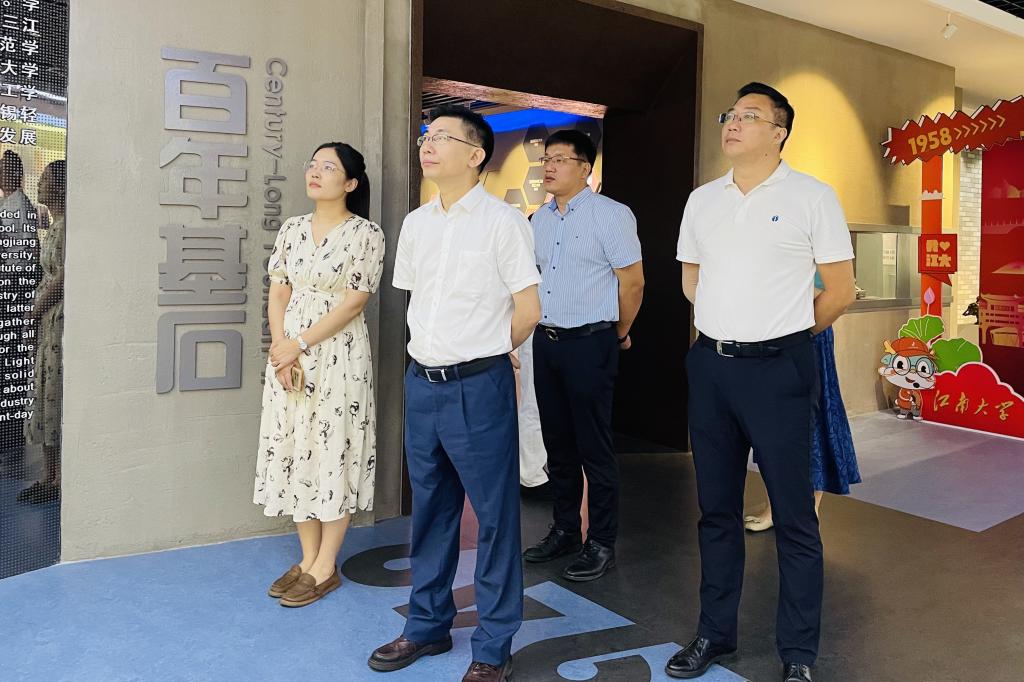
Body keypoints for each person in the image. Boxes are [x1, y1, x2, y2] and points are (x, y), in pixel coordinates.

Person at [669, 83, 856, 682]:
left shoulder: (812, 196)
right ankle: (714, 633)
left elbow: (840, 290)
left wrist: (787, 335)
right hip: (712, 366)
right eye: (730, 114)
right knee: (716, 509)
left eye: (750, 116)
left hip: (780, 369)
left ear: (779, 132)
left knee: (795, 516)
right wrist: (729, 326)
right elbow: (691, 281)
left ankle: (797, 654)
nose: (733, 123)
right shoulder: (703, 200)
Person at [369, 105, 541, 682]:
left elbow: (528, 309)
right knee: (431, 511)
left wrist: (488, 350)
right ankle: (426, 625)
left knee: (494, 518)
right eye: (427, 134)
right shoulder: (417, 224)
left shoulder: (503, 222)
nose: (429, 143)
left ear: (475, 155)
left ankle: (493, 645)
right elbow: (417, 302)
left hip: (478, 386)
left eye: (443, 136)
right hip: (423, 383)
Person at [254, 141, 384, 608]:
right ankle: (307, 559)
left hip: (337, 355)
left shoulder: (366, 233)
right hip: (289, 354)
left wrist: (300, 344)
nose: (315, 172)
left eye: (328, 167)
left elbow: (354, 303)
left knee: (333, 447)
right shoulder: (292, 228)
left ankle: (326, 565)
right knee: (295, 445)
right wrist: (282, 350)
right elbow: (278, 292)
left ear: (350, 183)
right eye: (312, 164)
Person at [522, 130, 643, 582]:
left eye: (560, 159)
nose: (549, 167)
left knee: (594, 445)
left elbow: (633, 282)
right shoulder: (539, 220)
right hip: (546, 341)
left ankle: (602, 542)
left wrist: (619, 333)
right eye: (546, 160)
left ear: (585, 168)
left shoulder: (610, 215)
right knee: (557, 444)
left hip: (591, 342)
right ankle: (565, 530)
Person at [744, 272, 861, 531]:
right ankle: (776, 508)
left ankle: (809, 509)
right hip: (773, 335)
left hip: (808, 336)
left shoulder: (821, 251)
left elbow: (838, 293)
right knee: (771, 425)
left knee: (813, 421)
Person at [17, 160, 65, 504]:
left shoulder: (68, 228)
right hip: (48, 320)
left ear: (60, 187)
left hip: (57, 319)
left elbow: (62, 277)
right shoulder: (55, 227)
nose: (39, 184)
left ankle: (58, 477)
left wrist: (34, 311)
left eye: (45, 179)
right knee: (45, 391)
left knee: (54, 394)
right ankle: (49, 474)